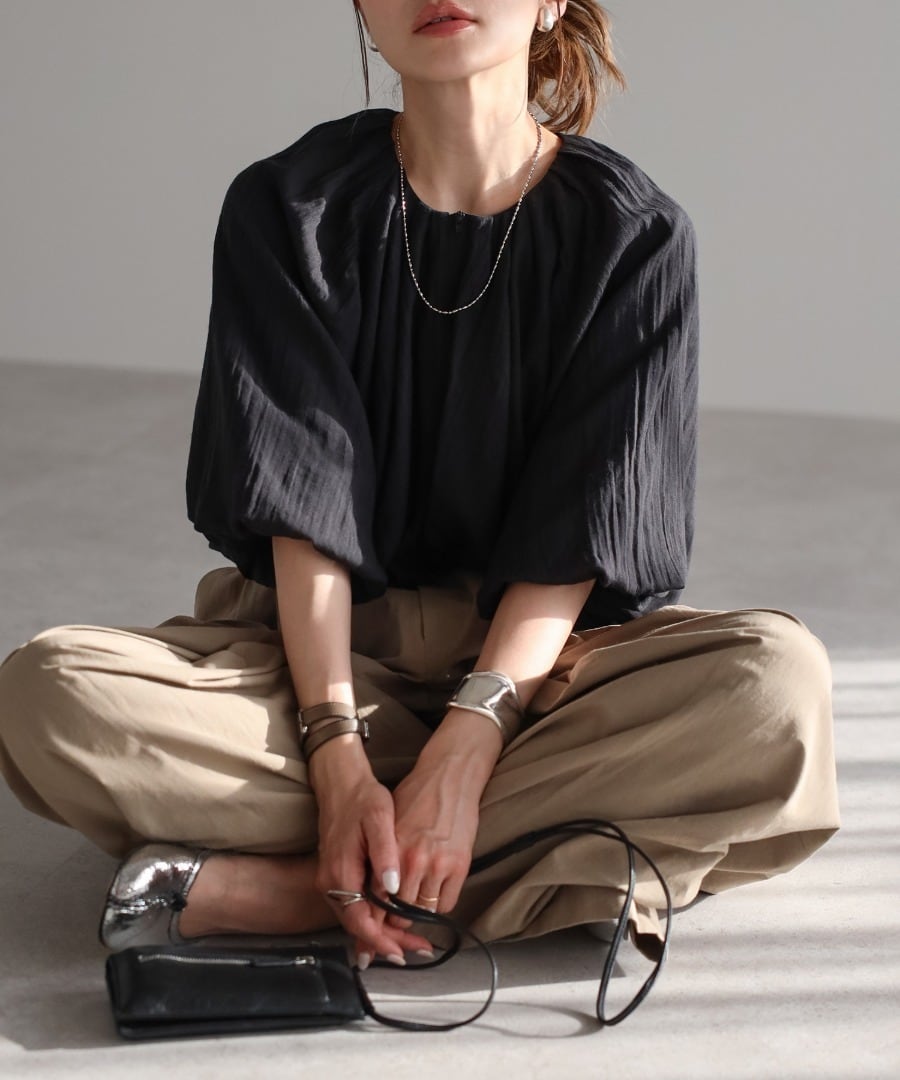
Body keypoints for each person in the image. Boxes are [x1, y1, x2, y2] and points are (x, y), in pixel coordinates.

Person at [0, 0, 839, 972]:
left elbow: (580, 530)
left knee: (775, 691)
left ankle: (295, 890)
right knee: (48, 694)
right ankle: (517, 861)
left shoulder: (635, 235)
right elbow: (304, 508)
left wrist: (472, 740)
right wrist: (336, 755)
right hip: (325, 664)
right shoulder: (290, 207)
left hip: (545, 675)